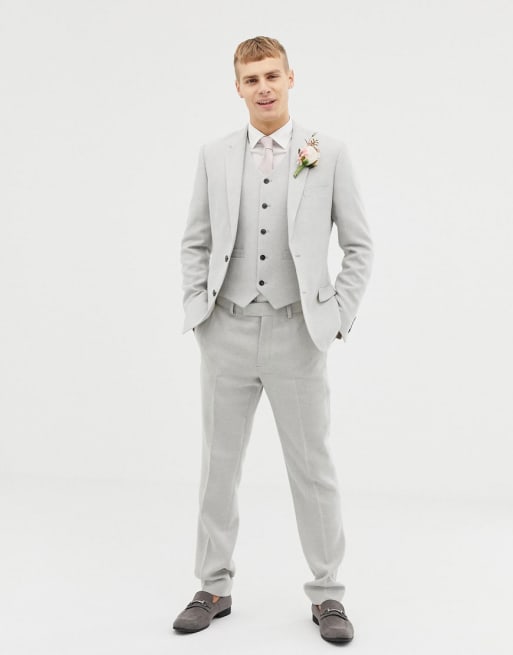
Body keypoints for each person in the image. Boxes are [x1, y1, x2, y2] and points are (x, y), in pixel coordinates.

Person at [173, 36, 373, 644]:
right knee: (218, 467)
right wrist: (199, 312)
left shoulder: (325, 153)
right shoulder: (214, 154)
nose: (263, 87)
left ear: (290, 78)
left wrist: (336, 317)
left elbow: (359, 246)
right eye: (251, 78)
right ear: (237, 87)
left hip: (297, 333)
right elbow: (195, 241)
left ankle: (328, 593)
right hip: (226, 330)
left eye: (271, 75)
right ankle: (213, 585)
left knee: (313, 468)